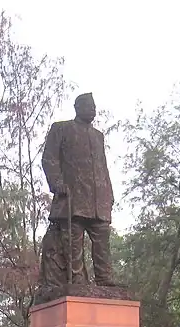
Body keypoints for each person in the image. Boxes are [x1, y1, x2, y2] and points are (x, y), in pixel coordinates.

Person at [38, 93, 116, 291]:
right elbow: (49, 158)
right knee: (73, 240)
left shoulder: (98, 136)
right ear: (77, 107)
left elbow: (102, 167)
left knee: (102, 238)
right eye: (88, 105)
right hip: (73, 196)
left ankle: (104, 277)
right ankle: (77, 279)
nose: (92, 109)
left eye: (94, 106)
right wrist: (57, 183)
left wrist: (110, 192)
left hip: (99, 198)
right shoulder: (62, 128)